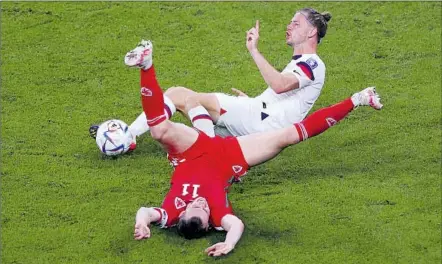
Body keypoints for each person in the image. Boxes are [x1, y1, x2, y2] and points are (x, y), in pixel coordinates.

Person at [129, 42, 383, 257]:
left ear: (182, 213)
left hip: (190, 152)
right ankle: (358, 99)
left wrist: (142, 223)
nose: (202, 203)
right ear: (209, 224)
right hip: (228, 157)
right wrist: (229, 243)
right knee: (288, 136)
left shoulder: (170, 212)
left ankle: (146, 65)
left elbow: (145, 212)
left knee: (159, 130)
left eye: (197, 206)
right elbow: (236, 224)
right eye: (206, 210)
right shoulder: (218, 217)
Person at [126, 8, 334, 141]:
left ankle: (128, 137)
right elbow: (284, 99)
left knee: (184, 97)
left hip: (260, 122)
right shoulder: (303, 63)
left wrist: (253, 50)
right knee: (179, 105)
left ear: (311, 32)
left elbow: (280, 85)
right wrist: (254, 100)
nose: (289, 26)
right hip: (259, 118)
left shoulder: (313, 64)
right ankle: (211, 149)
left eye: (296, 23)